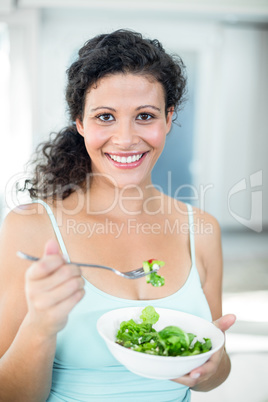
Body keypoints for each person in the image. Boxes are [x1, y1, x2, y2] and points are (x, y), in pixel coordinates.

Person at [0, 29, 235, 401]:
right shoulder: (29, 228)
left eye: (145, 115)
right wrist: (40, 325)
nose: (125, 139)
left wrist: (214, 363)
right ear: (80, 123)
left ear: (168, 118)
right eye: (105, 117)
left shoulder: (202, 230)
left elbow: (212, 374)